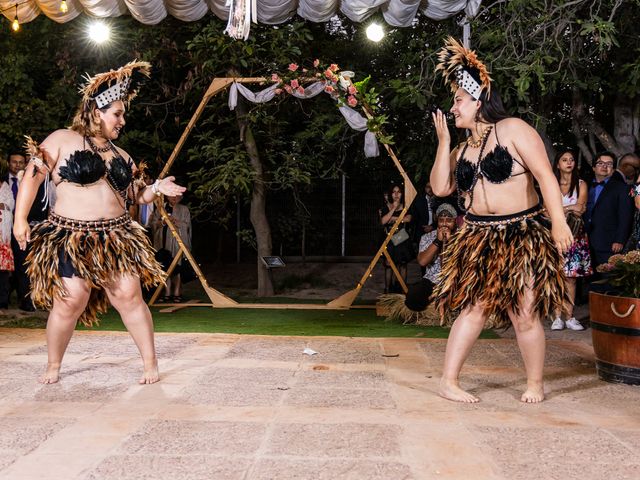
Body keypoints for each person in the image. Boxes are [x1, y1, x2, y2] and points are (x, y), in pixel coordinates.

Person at [13, 61, 185, 385]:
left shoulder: (122, 155)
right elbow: (32, 176)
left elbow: (136, 194)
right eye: (117, 113)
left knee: (130, 296)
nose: (122, 120)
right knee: (71, 300)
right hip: (71, 237)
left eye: (122, 114)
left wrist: (157, 188)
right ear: (97, 111)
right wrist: (20, 218)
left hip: (116, 237)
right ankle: (53, 365)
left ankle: (150, 363)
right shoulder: (63, 139)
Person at [430, 37, 572, 403]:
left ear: (478, 101)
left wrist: (558, 221)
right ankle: (448, 381)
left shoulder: (512, 129)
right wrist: (443, 142)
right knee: (473, 308)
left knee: (524, 312)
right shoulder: (462, 148)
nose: (453, 107)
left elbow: (545, 176)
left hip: (519, 233)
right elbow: (441, 188)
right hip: (477, 237)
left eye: (459, 100)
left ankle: (535, 384)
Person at [550, 149, 591, 331]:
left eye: (572, 159)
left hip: (575, 236)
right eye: (564, 159)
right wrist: (568, 209)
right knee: (554, 276)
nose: (569, 162)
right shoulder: (550, 184)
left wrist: (559, 210)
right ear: (558, 164)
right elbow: (544, 210)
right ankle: (556, 317)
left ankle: (570, 316)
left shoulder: (581, 184)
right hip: (553, 236)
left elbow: (580, 208)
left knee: (571, 279)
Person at [584, 151, 634, 271]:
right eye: (600, 163)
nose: (604, 166)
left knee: (608, 279)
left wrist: (619, 240)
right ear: (593, 167)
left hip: (608, 242)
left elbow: (626, 216)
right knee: (587, 281)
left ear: (613, 169)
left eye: (609, 164)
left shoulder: (623, 188)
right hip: (584, 241)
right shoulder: (584, 186)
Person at [151, 194, 192, 302]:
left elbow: (187, 226)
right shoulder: (161, 208)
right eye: (172, 196)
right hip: (162, 242)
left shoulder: (184, 209)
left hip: (177, 243)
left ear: (181, 197)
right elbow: (154, 223)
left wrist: (175, 221)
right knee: (164, 266)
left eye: (177, 196)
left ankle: (177, 292)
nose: (174, 198)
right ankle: (167, 292)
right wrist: (163, 222)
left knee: (176, 267)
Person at [379, 183, 413, 293]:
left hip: (402, 238)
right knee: (389, 265)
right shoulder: (386, 208)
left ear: (402, 193)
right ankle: (388, 290)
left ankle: (402, 290)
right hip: (389, 240)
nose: (396, 194)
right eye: (394, 192)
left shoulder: (406, 206)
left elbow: (408, 219)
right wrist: (394, 208)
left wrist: (392, 219)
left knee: (402, 265)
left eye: (399, 192)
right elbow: (383, 221)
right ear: (391, 194)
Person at [0, 174, 14, 309]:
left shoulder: (6, 188)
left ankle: (3, 302)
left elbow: (9, 206)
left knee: (3, 272)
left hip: (3, 238)